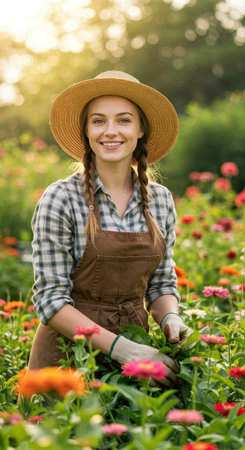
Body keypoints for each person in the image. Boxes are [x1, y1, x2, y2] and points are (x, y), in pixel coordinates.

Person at [28, 70, 192, 386]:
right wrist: (124, 350)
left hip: (137, 359)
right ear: (87, 131)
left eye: (124, 120)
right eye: (99, 121)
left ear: (141, 129)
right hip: (66, 362)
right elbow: (50, 301)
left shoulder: (159, 200)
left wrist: (170, 317)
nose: (111, 131)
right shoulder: (61, 198)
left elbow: (161, 283)